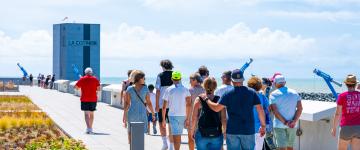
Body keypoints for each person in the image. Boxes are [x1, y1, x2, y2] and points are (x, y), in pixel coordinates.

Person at [202, 69, 266, 150]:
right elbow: (260, 110)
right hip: (248, 130)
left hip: (232, 131)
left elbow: (216, 108)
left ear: (232, 80)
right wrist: (263, 126)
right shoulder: (252, 92)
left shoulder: (228, 94)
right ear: (243, 79)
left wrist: (206, 99)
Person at [189, 77, 227, 150]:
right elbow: (224, 119)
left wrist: (192, 131)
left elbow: (194, 117)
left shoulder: (199, 99)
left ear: (204, 86)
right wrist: (225, 132)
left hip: (201, 133)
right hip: (217, 133)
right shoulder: (219, 99)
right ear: (215, 87)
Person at [269, 75, 302, 150]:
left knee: (282, 148)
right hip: (292, 125)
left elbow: (275, 112)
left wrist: (285, 122)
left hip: (279, 125)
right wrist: (294, 121)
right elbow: (300, 108)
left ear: (275, 83)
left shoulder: (273, 94)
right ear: (285, 82)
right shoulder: (294, 92)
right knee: (290, 147)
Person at [122, 70, 156, 143]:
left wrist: (124, 115)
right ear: (140, 79)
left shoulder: (129, 88)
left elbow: (127, 103)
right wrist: (153, 113)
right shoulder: (145, 89)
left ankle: (131, 144)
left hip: (132, 112)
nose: (145, 80)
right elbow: (149, 103)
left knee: (130, 130)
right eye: (144, 78)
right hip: (142, 113)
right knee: (140, 133)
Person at [161, 71, 191, 150]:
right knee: (178, 135)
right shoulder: (186, 89)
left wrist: (163, 120)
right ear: (180, 78)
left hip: (172, 115)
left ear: (172, 79)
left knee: (176, 136)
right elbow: (189, 105)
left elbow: (164, 107)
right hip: (183, 115)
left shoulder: (168, 89)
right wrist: (187, 118)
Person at [331, 74, 360, 150]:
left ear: (346, 84)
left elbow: (338, 114)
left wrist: (334, 128)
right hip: (358, 127)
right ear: (355, 84)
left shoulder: (342, 96)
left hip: (346, 127)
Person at [248, 76, 271, 150]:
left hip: (246, 128)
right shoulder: (263, 97)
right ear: (260, 86)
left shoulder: (245, 97)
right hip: (260, 128)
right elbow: (268, 111)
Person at [75, 68, 100, 134]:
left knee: (86, 114)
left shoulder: (82, 79)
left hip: (84, 99)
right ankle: (91, 128)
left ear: (85, 73)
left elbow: (76, 87)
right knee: (91, 114)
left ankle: (88, 128)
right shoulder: (95, 79)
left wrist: (82, 83)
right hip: (93, 99)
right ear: (91, 72)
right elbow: (99, 89)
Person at [155, 59, 174, 150]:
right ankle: (171, 146)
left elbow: (158, 91)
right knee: (171, 124)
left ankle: (164, 144)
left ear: (163, 66)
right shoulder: (175, 75)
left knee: (161, 123)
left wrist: (157, 104)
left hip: (162, 103)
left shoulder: (160, 75)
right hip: (173, 104)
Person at [187, 73, 205, 150]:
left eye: (190, 80)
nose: (189, 82)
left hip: (192, 115)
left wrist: (187, 118)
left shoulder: (190, 90)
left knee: (191, 137)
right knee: (202, 137)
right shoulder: (204, 89)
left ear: (195, 80)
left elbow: (188, 104)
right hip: (203, 116)